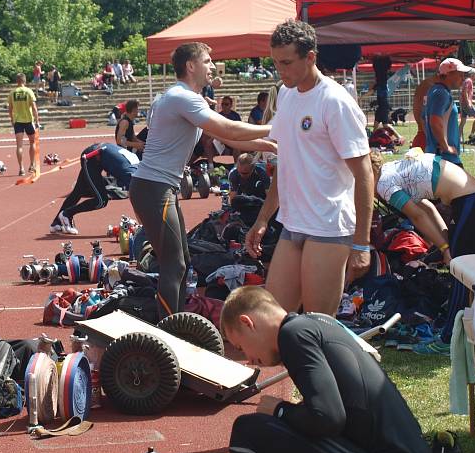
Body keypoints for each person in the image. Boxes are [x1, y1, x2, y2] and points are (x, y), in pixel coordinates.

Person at [206, 286, 439, 453]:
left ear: (247, 323)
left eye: (240, 346)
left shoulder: (293, 334)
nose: (247, 357)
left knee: (249, 429)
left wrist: (279, 410)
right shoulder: (315, 325)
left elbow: (327, 418)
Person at [129, 42, 273, 321]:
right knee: (174, 264)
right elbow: (228, 127)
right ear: (191, 66)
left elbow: (227, 137)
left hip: (158, 188)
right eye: (207, 61)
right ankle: (169, 331)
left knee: (180, 263)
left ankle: (176, 322)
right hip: (154, 188)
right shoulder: (183, 98)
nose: (212, 66)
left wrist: (270, 145)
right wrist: (277, 127)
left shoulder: (182, 98)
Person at [245, 20, 373, 317]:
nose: (281, 70)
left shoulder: (335, 101)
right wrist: (263, 219)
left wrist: (362, 243)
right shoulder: (287, 95)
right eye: (276, 63)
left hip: (329, 226)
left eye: (287, 62)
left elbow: (364, 174)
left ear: (311, 57)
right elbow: (286, 165)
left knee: (316, 325)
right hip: (294, 224)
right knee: (275, 319)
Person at [371, 149, 475, 353]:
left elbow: (418, 216)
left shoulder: (384, 184)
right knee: (464, 274)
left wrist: (445, 247)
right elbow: (428, 208)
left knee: (461, 275)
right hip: (472, 200)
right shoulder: (391, 171)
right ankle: (469, 331)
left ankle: (449, 339)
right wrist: (445, 241)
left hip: (471, 201)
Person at [49, 143, 139, 234]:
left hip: (99, 152)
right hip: (91, 157)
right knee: (101, 201)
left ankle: (56, 223)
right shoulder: (132, 178)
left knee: (78, 191)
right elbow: (137, 205)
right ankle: (67, 214)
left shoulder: (138, 171)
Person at [424, 57, 475, 167]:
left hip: (439, 155)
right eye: (460, 75)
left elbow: (424, 118)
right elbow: (434, 122)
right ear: (448, 74)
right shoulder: (441, 94)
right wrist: (445, 146)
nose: (463, 78)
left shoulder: (435, 91)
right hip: (445, 158)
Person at [8, 72, 40, 176]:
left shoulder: (12, 93)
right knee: (32, 143)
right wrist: (37, 121)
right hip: (28, 121)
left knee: (19, 146)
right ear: (24, 81)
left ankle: (21, 168)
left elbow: (10, 109)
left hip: (18, 122)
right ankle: (32, 165)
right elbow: (34, 108)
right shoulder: (29, 91)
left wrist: (12, 120)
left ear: (17, 81)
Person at [411, 74, 437, 149]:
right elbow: (422, 117)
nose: (462, 78)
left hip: (425, 138)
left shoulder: (428, 85)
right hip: (426, 140)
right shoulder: (429, 86)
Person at [459, 69, 475, 143]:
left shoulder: (467, 81)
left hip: (464, 103)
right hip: (466, 104)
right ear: (472, 74)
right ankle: (472, 135)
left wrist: (471, 101)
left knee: (463, 121)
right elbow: (464, 92)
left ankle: (458, 138)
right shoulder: (469, 81)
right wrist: (468, 102)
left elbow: (465, 92)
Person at [372, 55, 392, 128]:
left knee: (385, 125)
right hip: (381, 106)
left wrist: (360, 97)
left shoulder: (381, 83)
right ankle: (371, 138)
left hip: (383, 107)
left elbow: (372, 91)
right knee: (376, 125)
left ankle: (399, 137)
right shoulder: (381, 80)